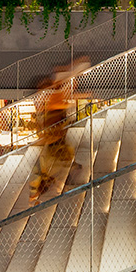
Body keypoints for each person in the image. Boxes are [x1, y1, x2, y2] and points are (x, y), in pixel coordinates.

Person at [28, 57, 88, 204]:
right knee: (50, 162)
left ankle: (38, 192)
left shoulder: (52, 97)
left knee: (53, 160)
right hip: (53, 136)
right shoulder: (53, 97)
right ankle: (39, 191)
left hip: (54, 136)